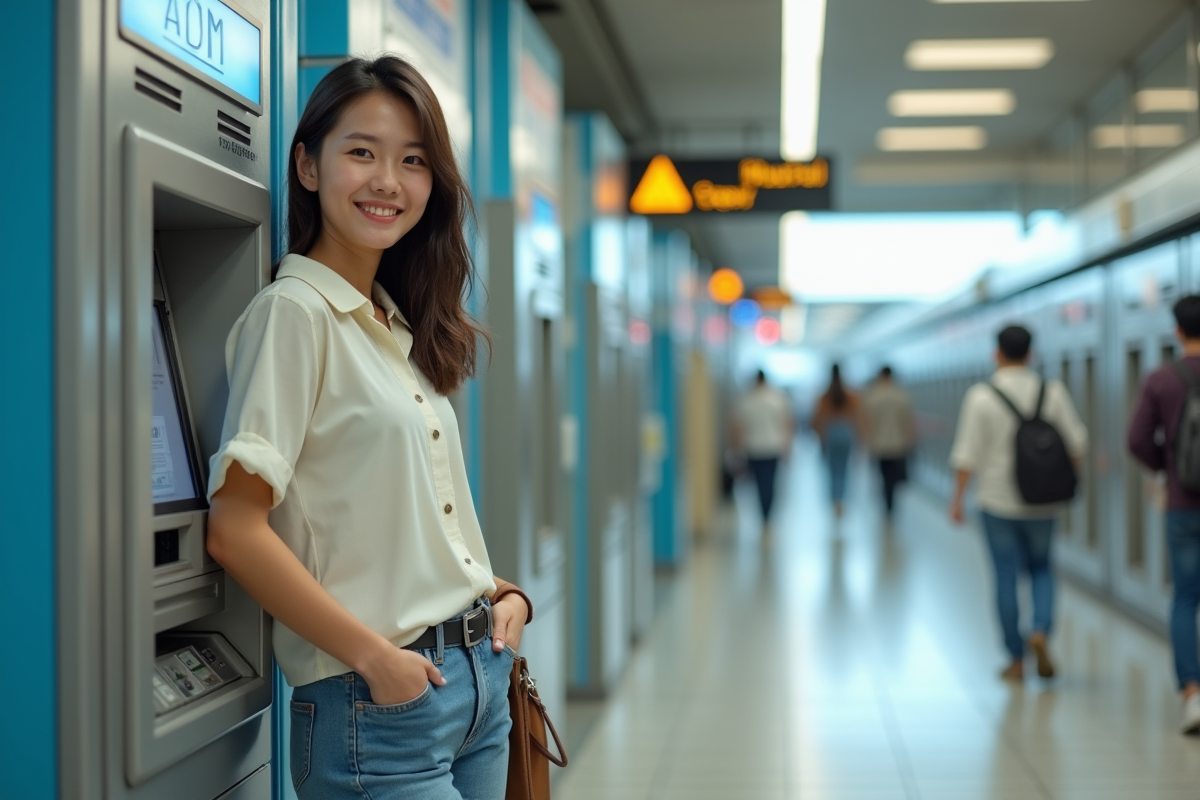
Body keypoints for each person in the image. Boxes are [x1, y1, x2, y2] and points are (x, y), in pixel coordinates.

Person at [204, 57, 533, 800]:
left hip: (477, 681)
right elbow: (235, 528)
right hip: (380, 706)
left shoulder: (389, 322)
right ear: (308, 167)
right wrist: (377, 660)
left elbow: (393, 523)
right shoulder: (294, 315)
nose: (388, 180)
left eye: (413, 161)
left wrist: (502, 597)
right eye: (362, 152)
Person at [949, 325, 1087, 682]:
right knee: (1042, 568)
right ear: (1030, 354)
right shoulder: (1051, 391)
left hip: (997, 502)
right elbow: (1077, 445)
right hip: (1043, 503)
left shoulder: (981, 396)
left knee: (1005, 575)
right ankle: (1040, 629)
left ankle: (1015, 657)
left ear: (996, 353)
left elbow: (966, 455)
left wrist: (958, 498)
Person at [1127, 294, 1200, 734]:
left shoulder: (1162, 378)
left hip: (1182, 504)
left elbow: (1136, 439)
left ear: (1177, 330)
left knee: (1186, 597)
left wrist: (1167, 468)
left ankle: (1192, 694)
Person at [731, 370, 794, 527]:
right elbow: (786, 425)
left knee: (759, 483)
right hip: (773, 447)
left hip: (753, 448)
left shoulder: (746, 400)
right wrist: (787, 447)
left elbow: (738, 428)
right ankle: (767, 517)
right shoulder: (778, 399)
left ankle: (763, 515)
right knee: (770, 483)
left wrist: (736, 449)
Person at [862, 366, 916, 520]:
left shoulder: (872, 396)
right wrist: (911, 441)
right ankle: (891, 505)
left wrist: (866, 442)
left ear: (880, 376)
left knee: (883, 476)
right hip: (898, 445)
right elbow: (908, 422)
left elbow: (866, 422)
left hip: (878, 445)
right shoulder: (902, 395)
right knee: (893, 477)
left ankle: (886, 503)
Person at [811, 364, 862, 518]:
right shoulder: (851, 396)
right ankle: (841, 501)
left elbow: (818, 420)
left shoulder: (824, 396)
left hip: (830, 434)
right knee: (844, 470)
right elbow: (856, 418)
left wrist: (820, 438)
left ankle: (834, 500)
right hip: (846, 434)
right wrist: (859, 438)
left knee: (832, 471)